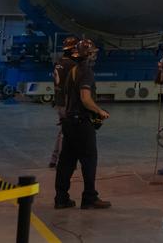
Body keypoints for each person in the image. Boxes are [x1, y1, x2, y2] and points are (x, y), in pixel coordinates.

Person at [54, 39, 112, 209]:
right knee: (89, 159)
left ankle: (61, 198)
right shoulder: (86, 71)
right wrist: (99, 111)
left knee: (66, 161)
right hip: (81, 122)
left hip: (69, 121)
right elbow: (85, 98)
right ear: (90, 55)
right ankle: (89, 198)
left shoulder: (72, 70)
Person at [49, 35, 80, 168]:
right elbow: (72, 87)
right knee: (68, 134)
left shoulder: (59, 63)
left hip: (59, 101)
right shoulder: (72, 66)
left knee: (62, 131)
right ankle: (63, 161)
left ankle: (54, 159)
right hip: (67, 104)